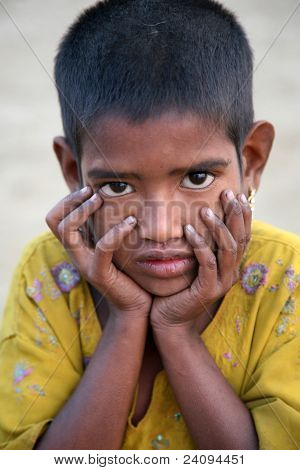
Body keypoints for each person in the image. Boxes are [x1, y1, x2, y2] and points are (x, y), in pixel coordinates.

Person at [0, 0, 299, 451]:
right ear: (71, 169)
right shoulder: (50, 274)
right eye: (117, 186)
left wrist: (176, 331)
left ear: (252, 160)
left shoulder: (286, 277)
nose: (160, 230)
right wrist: (126, 318)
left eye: (198, 178)